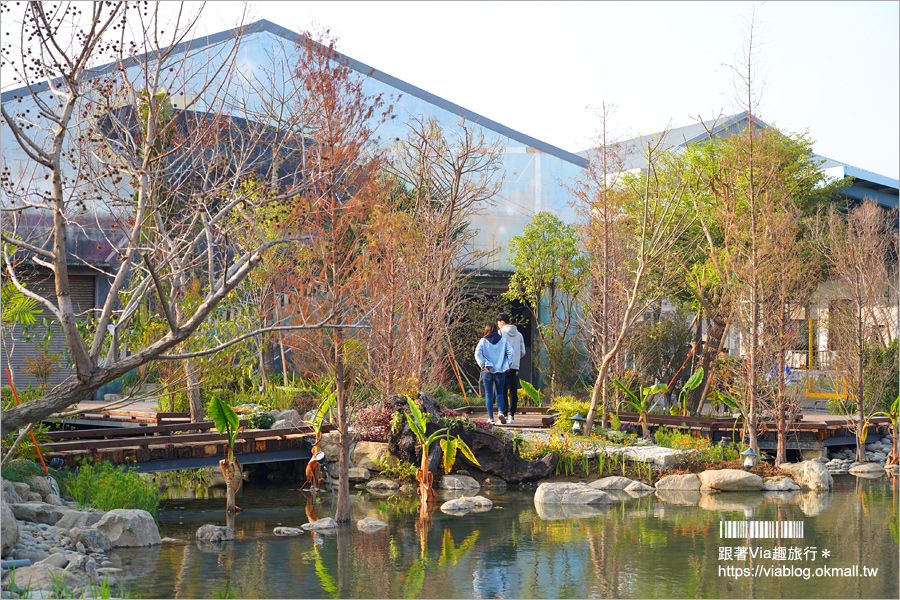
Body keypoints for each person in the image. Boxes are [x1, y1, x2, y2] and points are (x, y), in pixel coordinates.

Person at [474, 323, 514, 425]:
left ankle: (491, 419)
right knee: (500, 393)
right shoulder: (503, 341)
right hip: (500, 371)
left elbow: (477, 353)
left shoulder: (483, 341)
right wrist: (507, 365)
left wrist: (483, 365)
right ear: (496, 330)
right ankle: (501, 412)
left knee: (488, 395)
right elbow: (511, 353)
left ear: (486, 330)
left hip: (488, 370)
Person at [497, 312, 526, 422]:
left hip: (503, 366)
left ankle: (503, 414)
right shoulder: (519, 334)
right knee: (514, 390)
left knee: (503, 390)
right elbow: (523, 351)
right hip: (515, 366)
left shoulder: (500, 333)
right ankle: (512, 415)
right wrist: (516, 358)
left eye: (498, 323)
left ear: (502, 322)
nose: (498, 325)